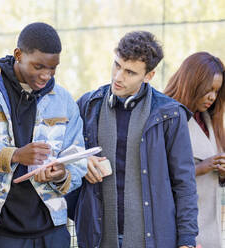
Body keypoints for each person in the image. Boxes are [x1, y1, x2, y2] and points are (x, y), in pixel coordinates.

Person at [66, 31, 198, 248]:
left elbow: (184, 183)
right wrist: (81, 163)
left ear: (149, 76)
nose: (118, 77)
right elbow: (62, 155)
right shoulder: (88, 106)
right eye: (117, 65)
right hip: (97, 237)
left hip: (154, 239)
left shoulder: (170, 115)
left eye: (130, 72)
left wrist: (187, 240)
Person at [0, 22, 87, 248]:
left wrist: (61, 174)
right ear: (18, 55)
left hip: (52, 230)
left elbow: (78, 159)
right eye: (38, 66)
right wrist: (13, 155)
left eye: (53, 68)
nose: (46, 75)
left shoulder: (63, 100)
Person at [164, 52, 225, 248]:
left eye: (216, 91)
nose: (212, 97)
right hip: (182, 229)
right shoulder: (167, 116)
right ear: (192, 82)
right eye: (208, 89)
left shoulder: (209, 119)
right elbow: (158, 176)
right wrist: (201, 167)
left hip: (212, 228)